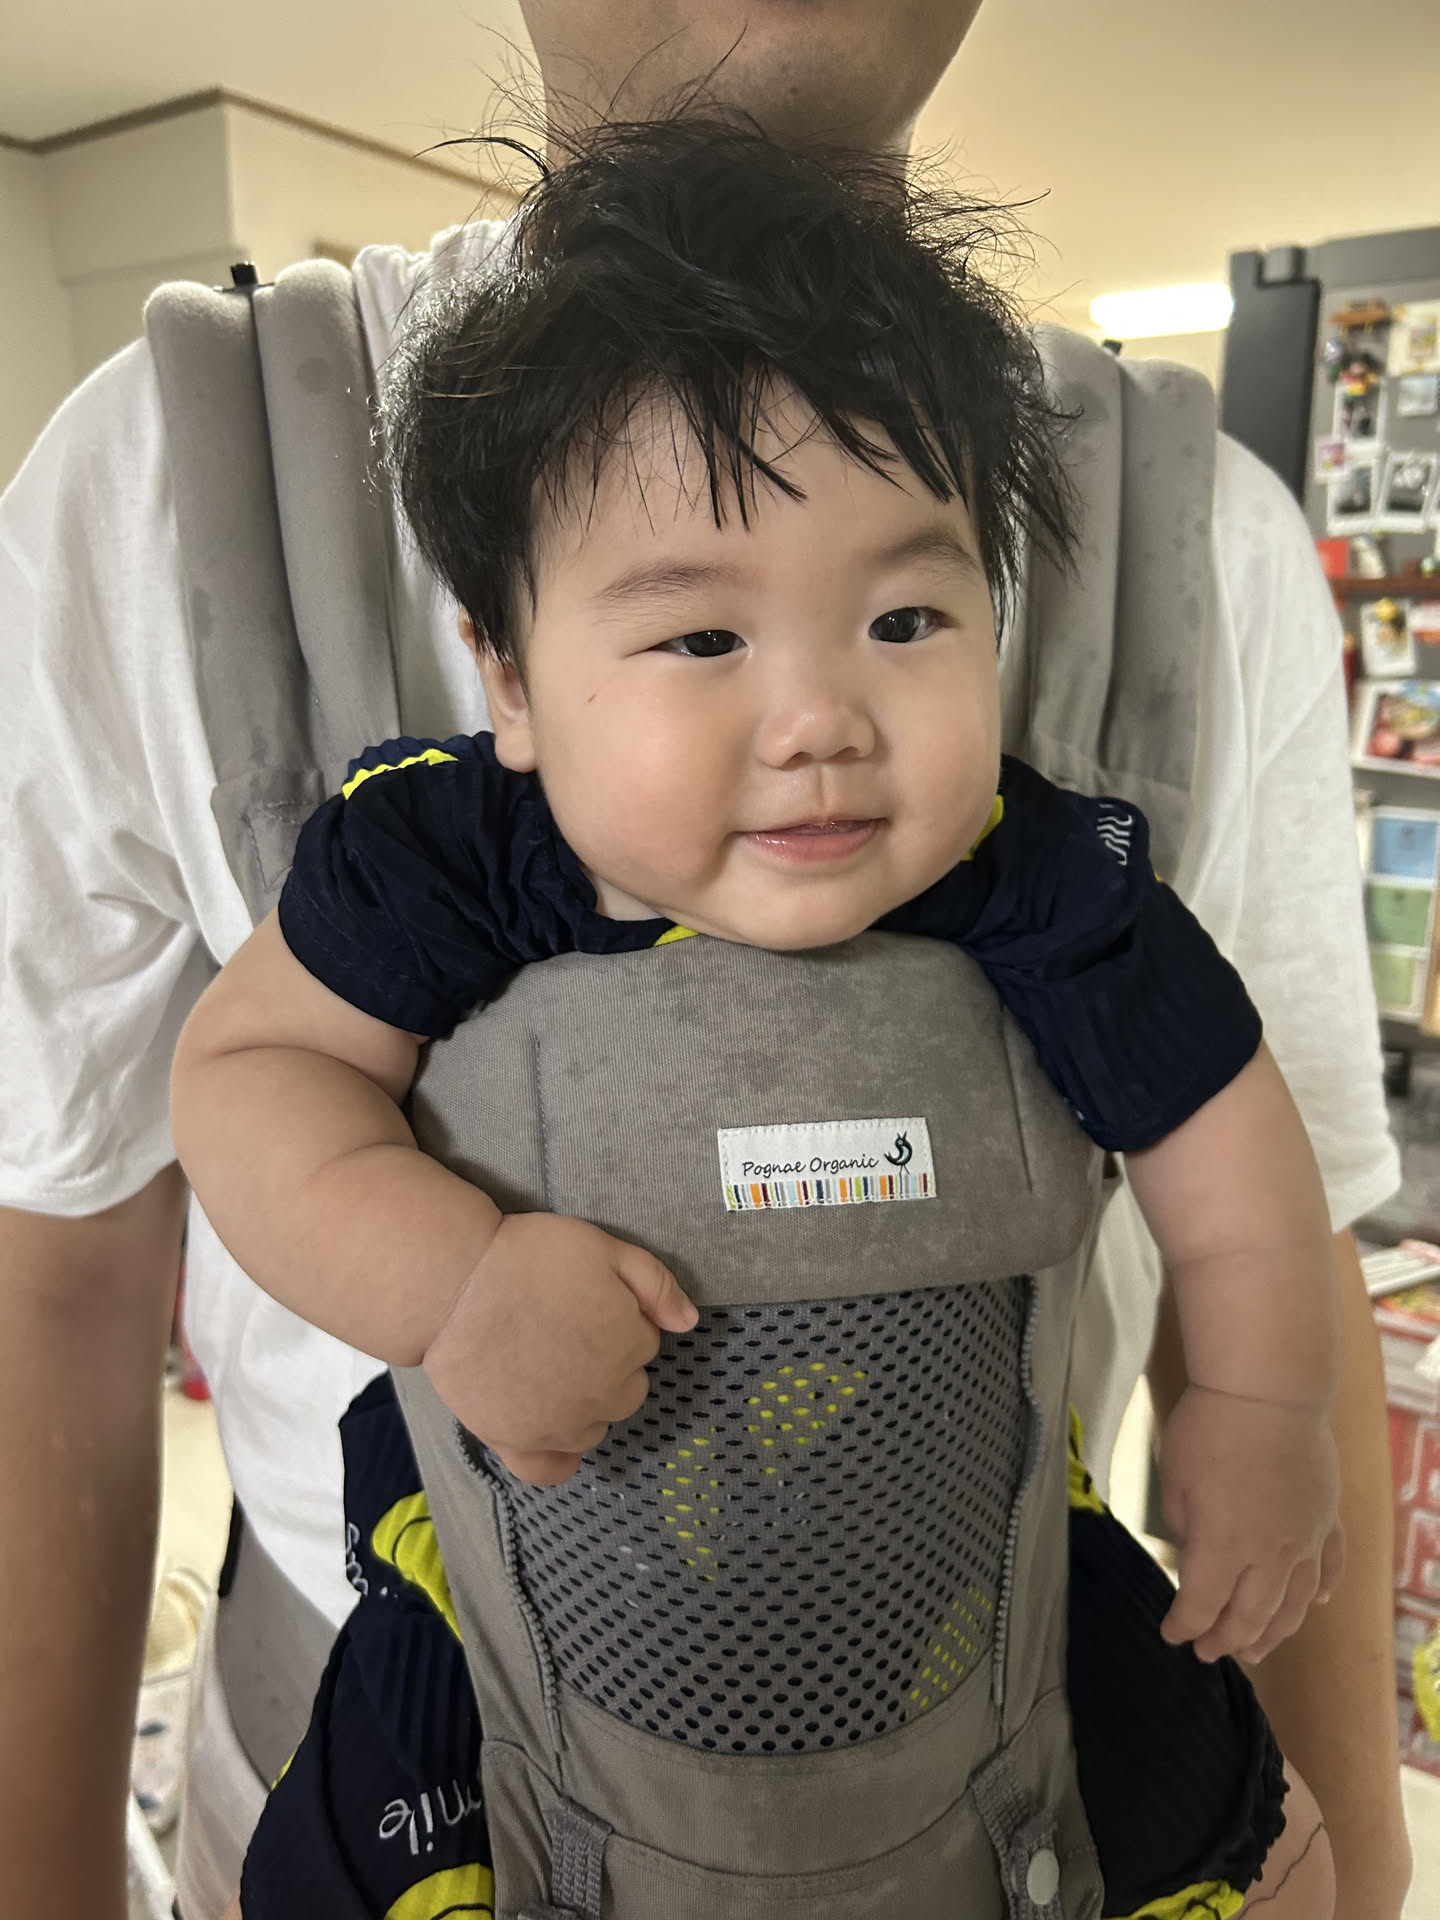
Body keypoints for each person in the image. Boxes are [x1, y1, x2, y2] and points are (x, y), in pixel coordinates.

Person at [0, 7, 1407, 1918]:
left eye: (906, 620)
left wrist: (1258, 1414)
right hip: (487, 1633)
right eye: (699, 644)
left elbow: (1242, 1154)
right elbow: (242, 1087)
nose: (819, 722)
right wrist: (452, 1275)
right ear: (508, 677)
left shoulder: (1053, 870)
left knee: (1260, 1846)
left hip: (986, 1662)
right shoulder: (437, 850)